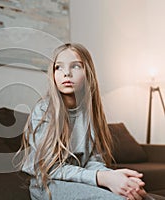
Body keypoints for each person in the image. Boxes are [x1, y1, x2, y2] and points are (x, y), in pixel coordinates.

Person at [17, 43, 148, 200]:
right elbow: (48, 168)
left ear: (88, 73)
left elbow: (94, 161)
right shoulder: (44, 111)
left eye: (76, 66)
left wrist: (114, 177)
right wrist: (101, 178)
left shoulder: (90, 113)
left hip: (81, 182)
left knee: (137, 195)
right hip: (48, 185)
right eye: (58, 67)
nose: (66, 73)